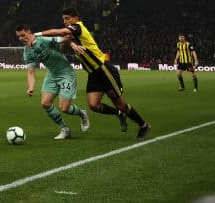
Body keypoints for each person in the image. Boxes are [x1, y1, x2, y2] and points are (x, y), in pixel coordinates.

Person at [39, 8, 150, 139]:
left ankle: (143, 125)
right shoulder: (73, 35)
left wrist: (38, 34)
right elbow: (64, 42)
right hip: (93, 74)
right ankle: (119, 113)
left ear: (75, 18)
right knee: (93, 105)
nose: (64, 21)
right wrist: (70, 44)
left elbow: (61, 32)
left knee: (121, 104)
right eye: (63, 19)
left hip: (104, 70)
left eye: (67, 18)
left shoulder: (78, 27)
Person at [16, 25, 90, 140]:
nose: (21, 38)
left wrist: (73, 45)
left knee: (64, 108)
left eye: (23, 35)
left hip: (66, 73)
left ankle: (82, 113)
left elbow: (66, 38)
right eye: (19, 37)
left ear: (29, 32)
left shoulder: (43, 40)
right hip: (51, 74)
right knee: (45, 103)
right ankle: (65, 129)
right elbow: (31, 72)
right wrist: (30, 87)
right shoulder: (27, 51)